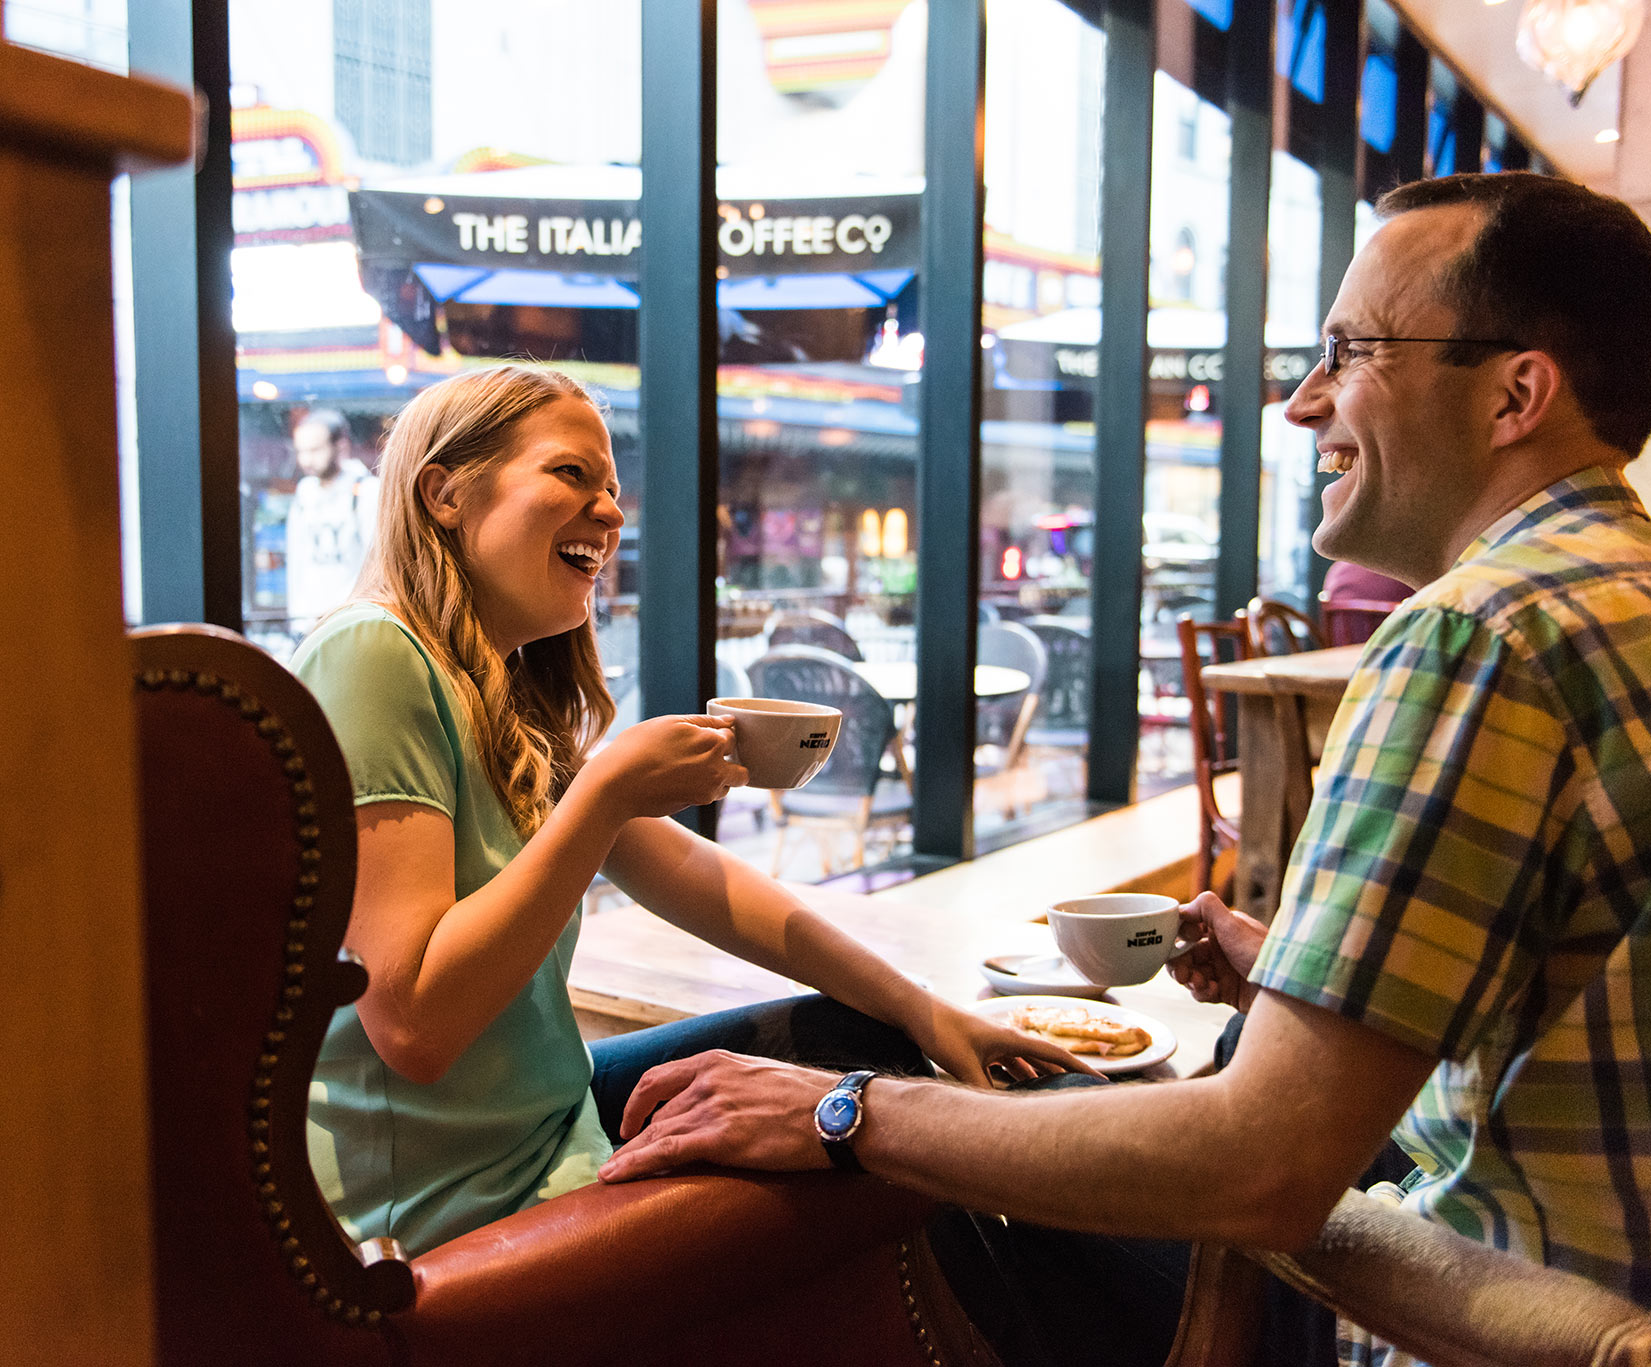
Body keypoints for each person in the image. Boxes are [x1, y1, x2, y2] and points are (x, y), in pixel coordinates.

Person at [597, 171, 1651, 1365]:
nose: (1301, 402)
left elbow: (1260, 1170)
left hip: (1498, 1317)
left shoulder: (1477, 637)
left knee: (891, 1183)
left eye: (1347, 350)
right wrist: (1306, 985)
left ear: (1515, 392)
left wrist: (850, 1111)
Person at [288, 364, 1088, 1256]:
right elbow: (413, 1027)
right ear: (443, 492)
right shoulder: (373, 653)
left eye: (613, 488)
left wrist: (928, 1008)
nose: (611, 512)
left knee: (865, 1037)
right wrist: (602, 795)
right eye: (571, 474)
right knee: (868, 1154)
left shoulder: (495, 686)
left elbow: (702, 879)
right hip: (447, 1209)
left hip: (553, 1130)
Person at [284, 408, 379, 637]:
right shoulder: (304, 494)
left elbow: (377, 562)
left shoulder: (367, 491)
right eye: (301, 451)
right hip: (308, 624)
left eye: (315, 450)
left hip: (351, 624)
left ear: (341, 446)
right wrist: (296, 621)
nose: (306, 459)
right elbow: (297, 559)